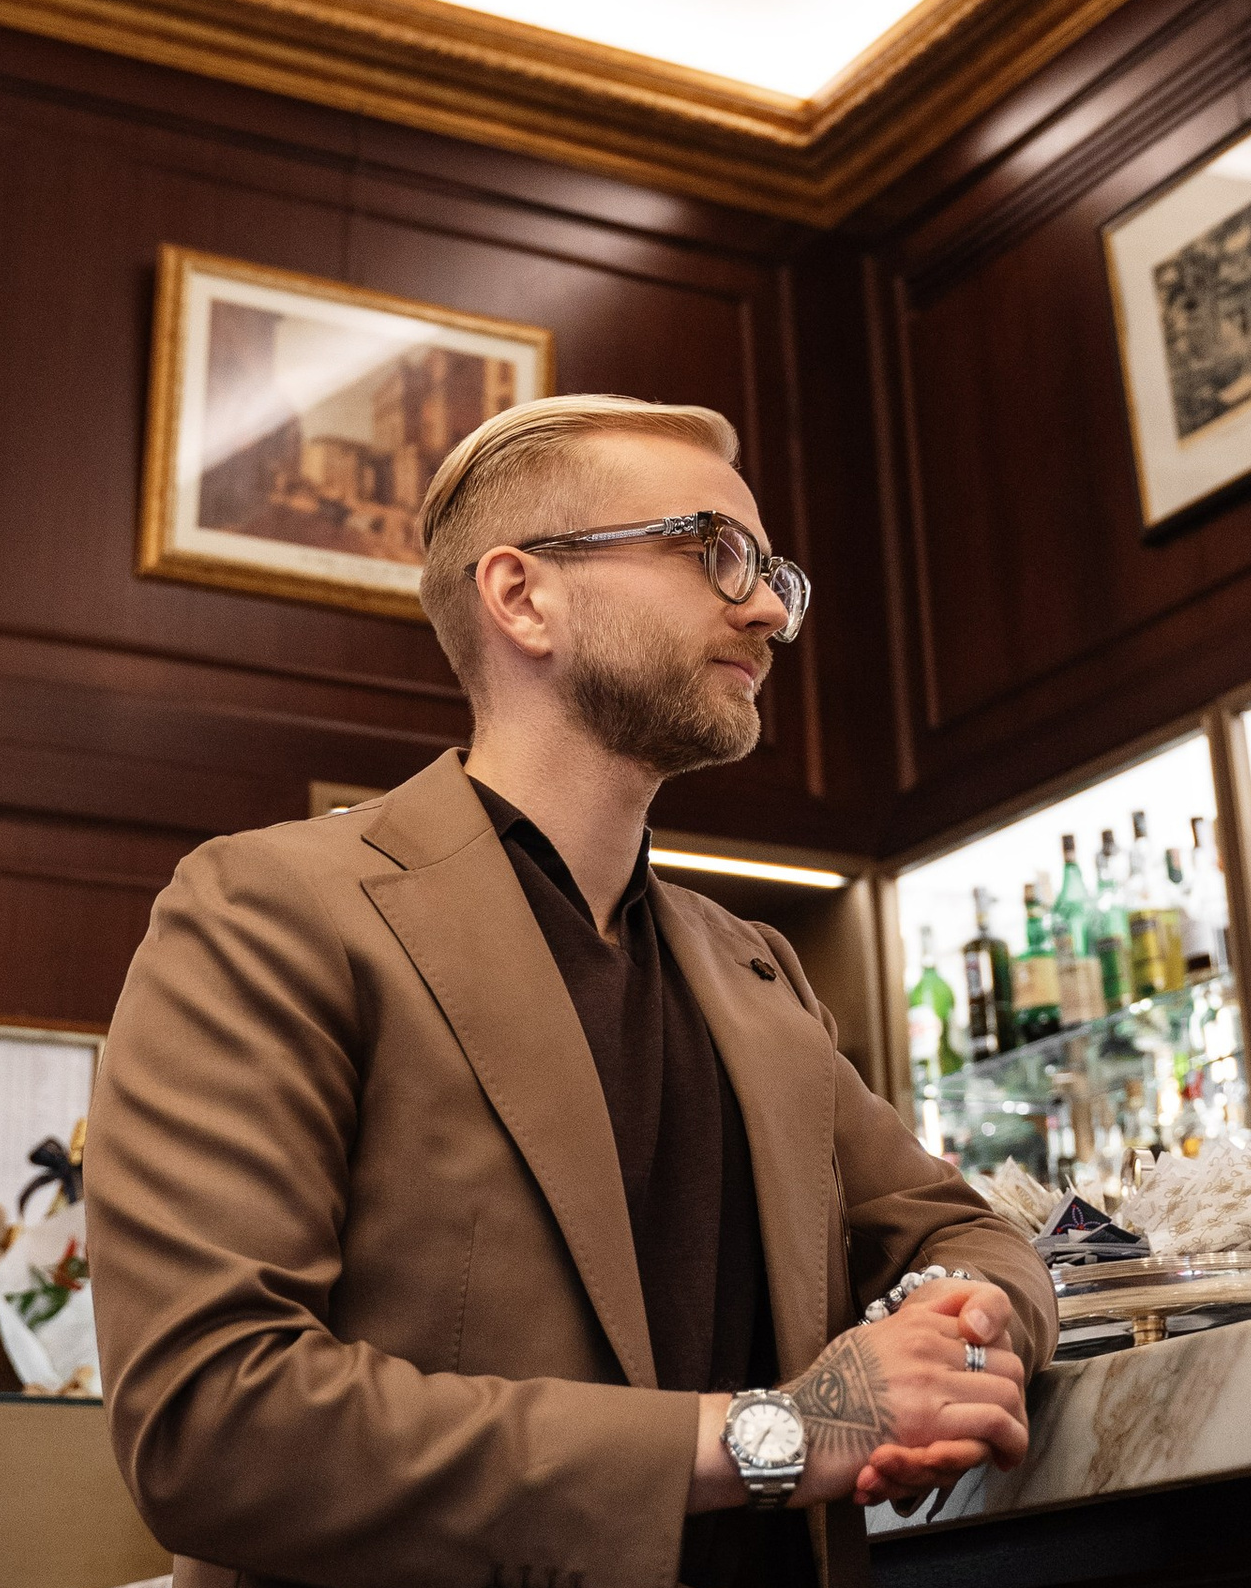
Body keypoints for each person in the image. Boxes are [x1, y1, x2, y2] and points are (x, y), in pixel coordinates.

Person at [88, 394, 1054, 1588]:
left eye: (770, 573)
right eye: (714, 551)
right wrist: (776, 1435)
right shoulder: (270, 907)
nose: (763, 608)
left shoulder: (753, 968)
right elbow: (212, 1426)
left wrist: (953, 1327)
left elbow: (961, 1231)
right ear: (521, 595)